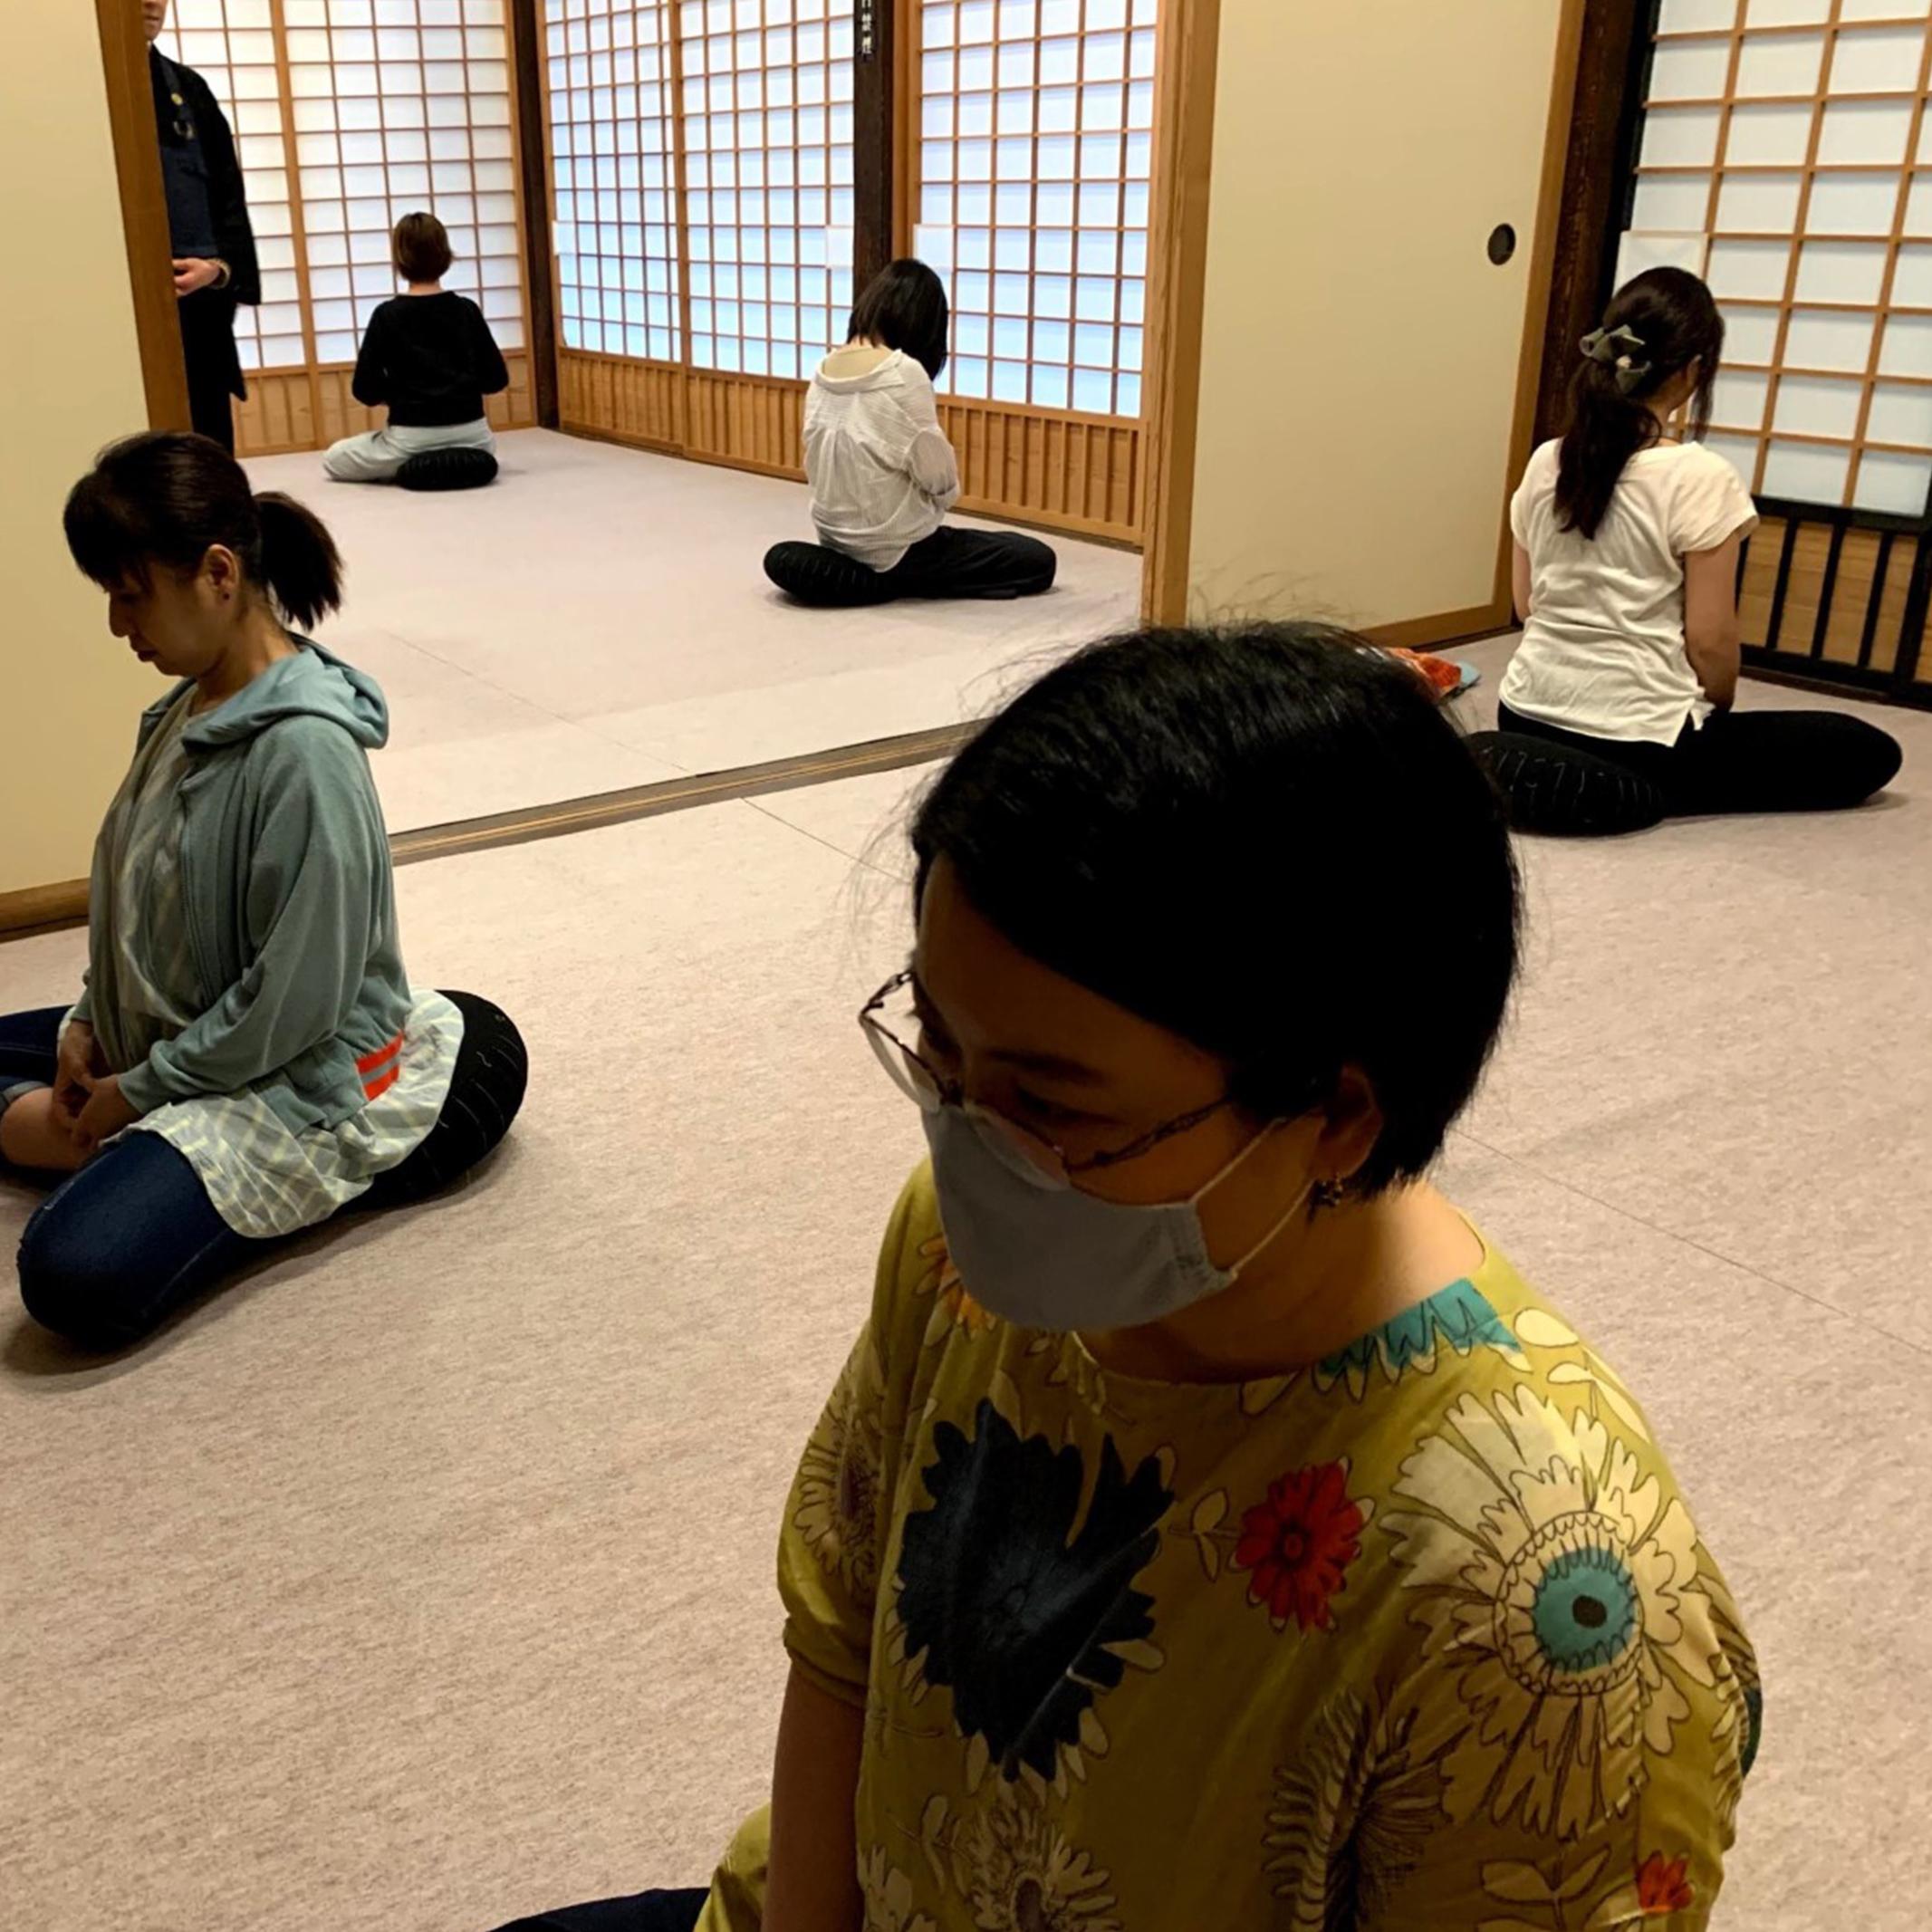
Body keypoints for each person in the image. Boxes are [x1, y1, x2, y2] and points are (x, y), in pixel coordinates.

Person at [489, 624, 1760, 1932]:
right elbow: (842, 1643)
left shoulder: (1544, 1602)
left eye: (1049, 1099)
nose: (969, 1142)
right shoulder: (961, 1244)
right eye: (935, 1042)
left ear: (1332, 1114)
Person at [0, 433, 528, 1350]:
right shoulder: (183, 707)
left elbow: (293, 1008)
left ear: (215, 573)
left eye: (131, 595)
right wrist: (88, 1019)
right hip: (170, 1035)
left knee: (70, 1276)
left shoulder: (305, 753)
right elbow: (137, 905)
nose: (119, 626)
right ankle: (81, 1135)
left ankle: (100, 1143)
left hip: (282, 1082)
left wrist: (138, 1091)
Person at [1474, 266, 1901, 836]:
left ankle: (1573, 777)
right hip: (1642, 736)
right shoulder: (1697, 474)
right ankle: (1637, 785)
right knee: (1867, 750)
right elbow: (1710, 640)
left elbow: (1527, 607)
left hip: (1524, 710)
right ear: (1694, 370)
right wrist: (1715, 708)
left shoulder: (1547, 458)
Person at [763, 260, 1057, 607]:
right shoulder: (903, 372)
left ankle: (869, 579)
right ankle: (899, 582)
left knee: (988, 543)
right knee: (1037, 558)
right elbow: (939, 478)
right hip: (901, 549)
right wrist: (940, 498)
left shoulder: (822, 369)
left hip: (834, 540)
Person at [143, 0, 260, 453]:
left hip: (199, 302)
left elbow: (229, 198)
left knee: (207, 439)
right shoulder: (80, 88)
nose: (151, 4)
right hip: (121, 300)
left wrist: (219, 269)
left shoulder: (190, 88)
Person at [322, 212, 509, 483]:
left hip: (410, 437)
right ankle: (453, 461)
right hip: (474, 437)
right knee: (479, 450)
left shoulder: (387, 315)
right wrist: (460, 388)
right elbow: (496, 379)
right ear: (445, 255)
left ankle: (414, 464)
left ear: (400, 259)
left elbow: (365, 388)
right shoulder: (466, 310)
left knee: (335, 458)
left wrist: (400, 395)